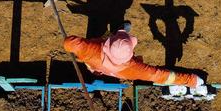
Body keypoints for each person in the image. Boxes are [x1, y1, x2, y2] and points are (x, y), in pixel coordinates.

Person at [63, 23, 203, 88]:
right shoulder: (135, 69)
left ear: (108, 43)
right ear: (130, 54)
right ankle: (122, 31)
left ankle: (120, 31)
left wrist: (71, 43)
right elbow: (162, 76)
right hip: (120, 73)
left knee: (99, 41)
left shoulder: (90, 50)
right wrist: (191, 80)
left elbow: (69, 43)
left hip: (96, 65)